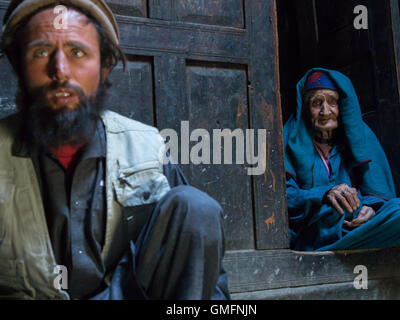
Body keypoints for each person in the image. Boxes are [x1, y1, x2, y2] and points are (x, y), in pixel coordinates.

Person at [0, 0, 229, 300]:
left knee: (194, 208)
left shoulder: (147, 147)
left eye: (77, 52)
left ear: (105, 66)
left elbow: (201, 270)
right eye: (40, 52)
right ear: (19, 66)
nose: (59, 70)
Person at [283, 68, 400, 251]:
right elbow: (284, 198)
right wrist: (324, 194)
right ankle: (344, 248)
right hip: (316, 228)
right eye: (316, 103)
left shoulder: (359, 137)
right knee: (334, 211)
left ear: (342, 106)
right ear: (306, 109)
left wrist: (371, 209)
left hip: (354, 226)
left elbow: (376, 193)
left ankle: (339, 248)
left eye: (332, 102)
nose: (325, 111)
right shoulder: (290, 138)